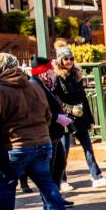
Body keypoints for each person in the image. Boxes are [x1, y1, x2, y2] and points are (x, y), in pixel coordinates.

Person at [0, 53, 70, 210]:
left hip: (13, 146)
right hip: (41, 142)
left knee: (6, 186)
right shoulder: (34, 86)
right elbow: (48, 115)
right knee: (46, 182)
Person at [53, 46, 106, 188]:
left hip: (80, 116)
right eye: (66, 59)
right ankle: (62, 180)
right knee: (63, 150)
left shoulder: (77, 74)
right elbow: (55, 99)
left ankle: (96, 176)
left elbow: (84, 98)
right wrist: (68, 109)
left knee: (88, 147)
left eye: (71, 58)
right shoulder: (56, 77)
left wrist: (90, 120)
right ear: (60, 60)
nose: (69, 61)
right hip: (65, 117)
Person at [29, 57, 73, 201]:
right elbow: (38, 109)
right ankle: (50, 201)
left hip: (54, 132)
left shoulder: (45, 84)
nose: (53, 72)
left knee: (59, 163)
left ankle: (56, 196)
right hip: (47, 133)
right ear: (43, 71)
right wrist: (57, 117)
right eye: (50, 69)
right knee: (50, 168)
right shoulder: (35, 85)